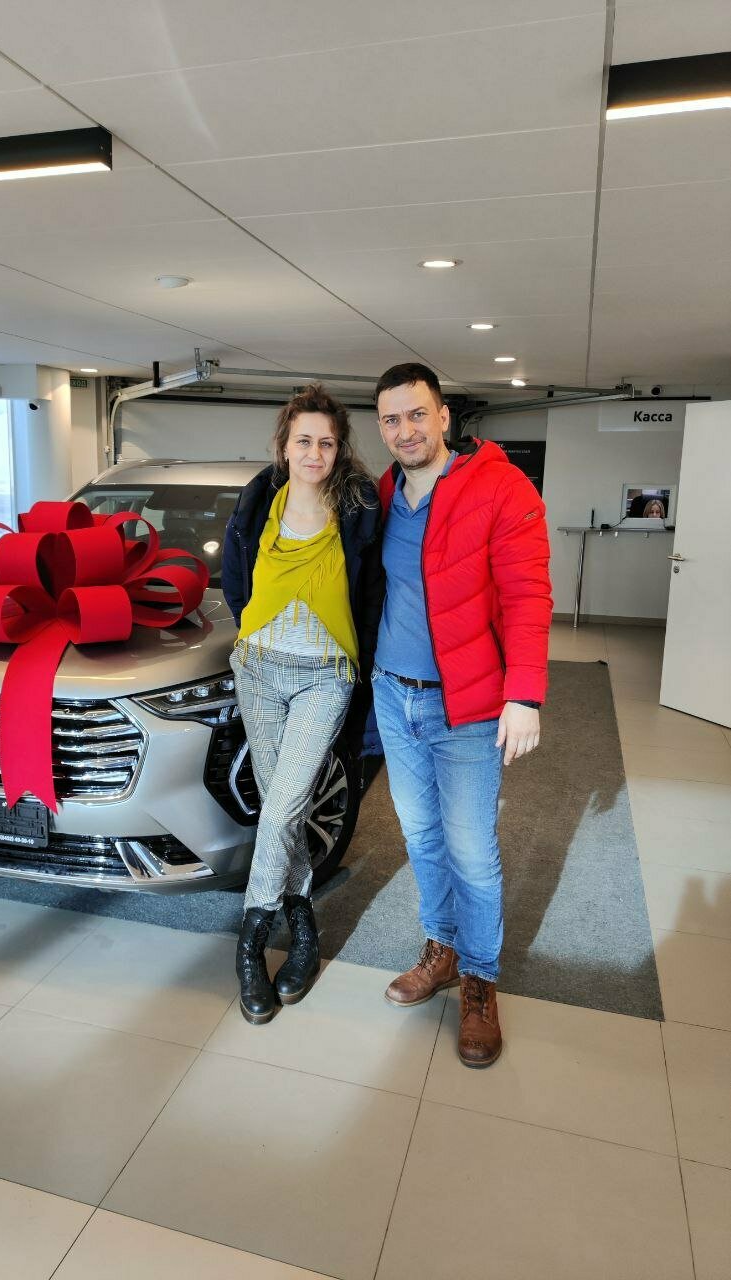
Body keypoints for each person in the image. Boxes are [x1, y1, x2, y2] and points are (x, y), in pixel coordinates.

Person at [371, 362, 552, 1067]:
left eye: (417, 414)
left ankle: (479, 978)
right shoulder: (384, 492)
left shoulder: (501, 487)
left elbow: (528, 594)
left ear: (444, 417)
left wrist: (524, 693)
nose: (405, 430)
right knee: (420, 836)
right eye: (391, 419)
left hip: (468, 704)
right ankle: (441, 948)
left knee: (471, 849)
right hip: (394, 695)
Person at [222, 384, 382, 1025]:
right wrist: (252, 634)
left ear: (339, 450)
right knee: (280, 810)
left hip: (325, 675)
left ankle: (250, 942)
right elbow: (237, 580)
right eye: (304, 441)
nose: (315, 453)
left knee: (285, 804)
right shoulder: (260, 499)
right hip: (258, 670)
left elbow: (371, 589)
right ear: (284, 446)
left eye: (327, 443)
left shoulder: (358, 506)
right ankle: (304, 926)